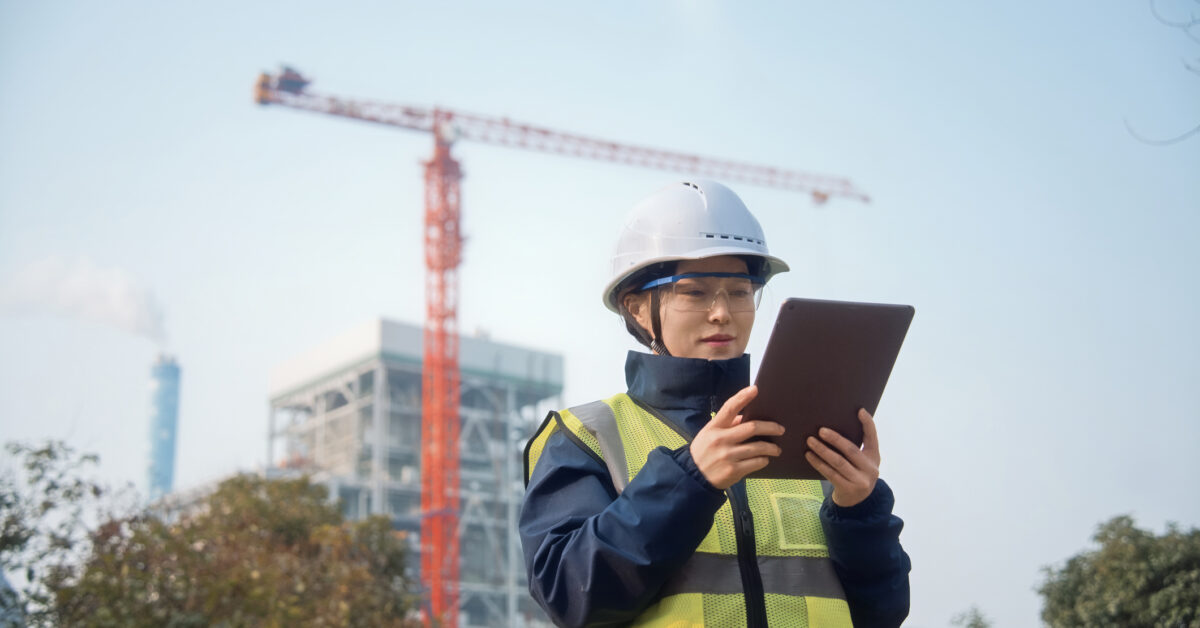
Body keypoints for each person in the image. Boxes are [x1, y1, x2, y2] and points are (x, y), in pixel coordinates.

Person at [520, 179, 911, 627]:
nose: (722, 312)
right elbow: (569, 594)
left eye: (741, 291)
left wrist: (859, 511)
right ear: (636, 308)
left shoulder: (805, 432)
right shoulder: (587, 434)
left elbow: (884, 612)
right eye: (695, 291)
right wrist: (691, 479)